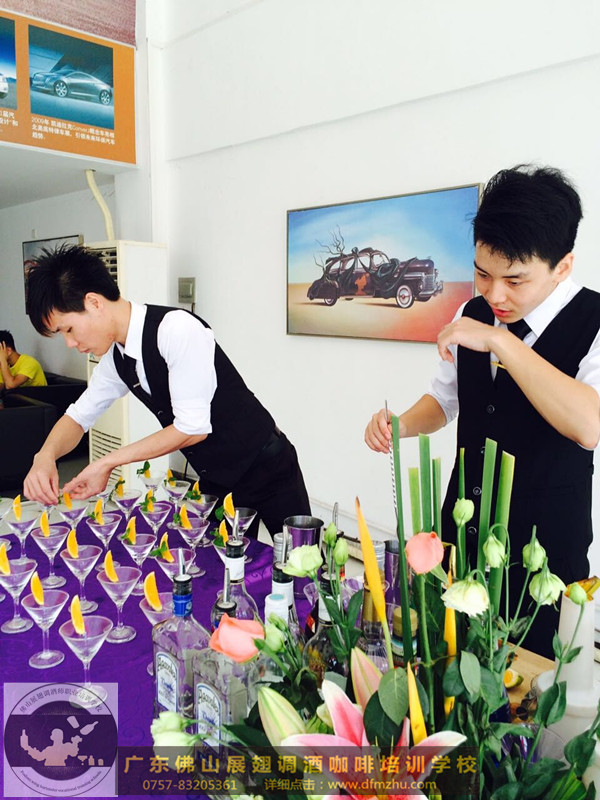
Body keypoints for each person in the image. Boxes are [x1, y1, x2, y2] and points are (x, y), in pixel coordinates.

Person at [365, 164, 600, 658]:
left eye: (515, 280)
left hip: (542, 553)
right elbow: (445, 400)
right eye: (482, 274)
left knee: (530, 682)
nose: (495, 295)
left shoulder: (592, 321)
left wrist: (500, 341)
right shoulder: (471, 314)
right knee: (452, 664)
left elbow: (587, 424)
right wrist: (399, 425)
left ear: (562, 266)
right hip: (462, 531)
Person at [23, 245, 311, 537]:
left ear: (94, 303)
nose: (70, 344)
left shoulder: (176, 329)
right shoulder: (116, 358)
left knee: (300, 561)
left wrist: (108, 462)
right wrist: (45, 456)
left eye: (68, 330)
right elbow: (78, 416)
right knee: (223, 562)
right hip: (219, 479)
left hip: (268, 467)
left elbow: (192, 428)